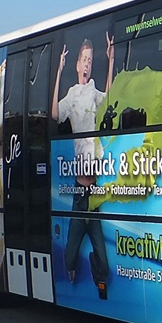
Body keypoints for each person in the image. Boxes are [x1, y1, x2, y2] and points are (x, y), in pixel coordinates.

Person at [51, 32, 115, 297]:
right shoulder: (73, 95)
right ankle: (72, 274)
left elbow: (110, 99)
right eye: (84, 60)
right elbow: (55, 114)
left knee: (103, 258)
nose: (87, 64)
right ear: (77, 65)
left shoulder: (93, 91)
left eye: (90, 60)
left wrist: (111, 61)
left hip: (95, 193)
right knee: (70, 255)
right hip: (79, 193)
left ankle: (97, 276)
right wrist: (58, 72)